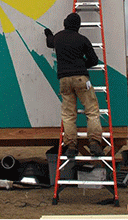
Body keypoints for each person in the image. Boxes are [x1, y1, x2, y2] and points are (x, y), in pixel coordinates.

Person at [45, 12, 104, 158]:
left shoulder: (58, 37)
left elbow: (49, 42)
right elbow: (94, 60)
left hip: (64, 79)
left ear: (65, 23)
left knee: (68, 114)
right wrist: (83, 64)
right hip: (81, 79)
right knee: (92, 110)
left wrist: (48, 34)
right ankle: (95, 142)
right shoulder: (82, 39)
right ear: (78, 26)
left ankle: (70, 145)